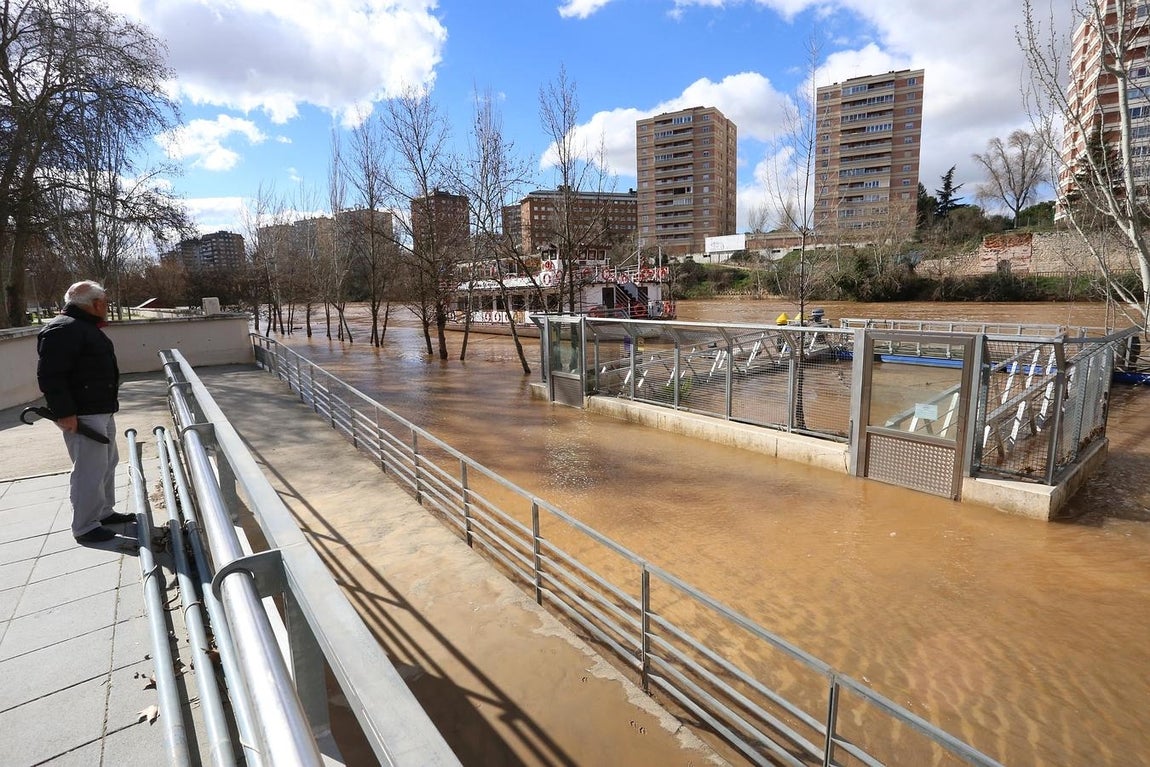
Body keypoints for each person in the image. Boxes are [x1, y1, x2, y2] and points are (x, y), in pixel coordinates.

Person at [36, 280, 130, 543]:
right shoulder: (64, 329)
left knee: (106, 463)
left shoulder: (82, 326)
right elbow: (51, 375)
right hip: (84, 413)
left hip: (99, 409)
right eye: (106, 302)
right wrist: (64, 413)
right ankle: (85, 526)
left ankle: (103, 512)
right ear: (96, 304)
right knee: (89, 470)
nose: (108, 306)